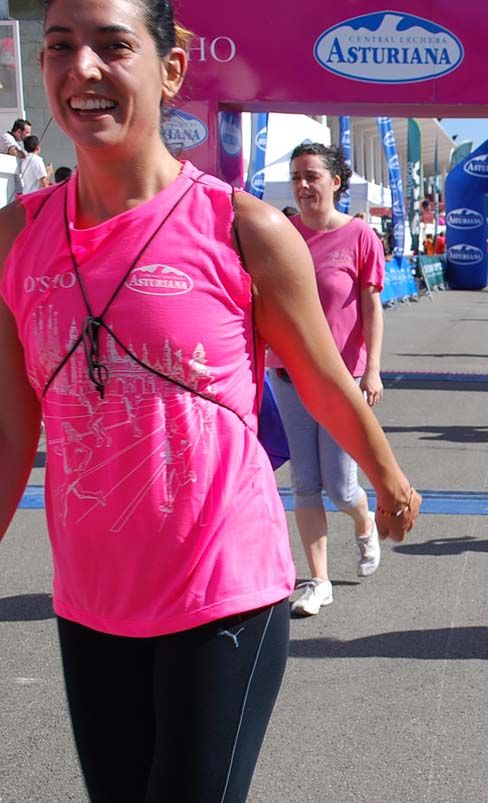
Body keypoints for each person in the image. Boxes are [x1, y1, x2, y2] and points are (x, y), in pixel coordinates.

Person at [0, 2, 420, 800]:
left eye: (112, 46)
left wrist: (388, 477)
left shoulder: (244, 229)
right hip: (92, 598)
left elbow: (322, 376)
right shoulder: (13, 238)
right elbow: (7, 427)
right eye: (59, 46)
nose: (81, 68)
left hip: (222, 589)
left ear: (170, 71)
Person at [275, 142, 393, 617]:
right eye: (296, 177)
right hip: (288, 376)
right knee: (304, 483)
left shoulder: (360, 235)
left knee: (341, 488)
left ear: (335, 182)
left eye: (312, 176)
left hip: (341, 380)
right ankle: (318, 580)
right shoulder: (281, 233)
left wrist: (373, 368)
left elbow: (371, 307)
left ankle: (364, 522)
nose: (303, 186)